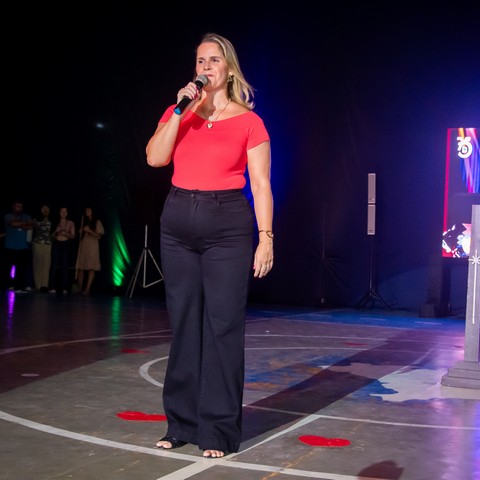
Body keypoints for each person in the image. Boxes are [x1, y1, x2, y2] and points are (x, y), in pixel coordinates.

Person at [145, 32, 274, 458]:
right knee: (184, 324)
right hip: (178, 220)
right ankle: (180, 424)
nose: (206, 67)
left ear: (229, 69)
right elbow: (155, 158)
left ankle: (217, 431)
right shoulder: (180, 112)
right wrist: (179, 112)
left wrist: (266, 238)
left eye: (214, 60)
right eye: (200, 60)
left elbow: (261, 184)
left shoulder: (250, 122)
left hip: (227, 225)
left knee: (222, 327)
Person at [1, 200, 34, 293]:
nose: (20, 208)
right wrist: (24, 224)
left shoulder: (26, 216)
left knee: (22, 268)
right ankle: (11, 285)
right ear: (13, 207)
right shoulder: (8, 216)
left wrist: (20, 225)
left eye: (21, 206)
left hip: (23, 246)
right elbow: (12, 223)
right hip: (10, 246)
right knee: (9, 267)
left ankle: (21, 286)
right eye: (18, 206)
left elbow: (30, 226)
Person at [75, 206, 104, 295]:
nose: (87, 211)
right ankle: (80, 288)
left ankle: (87, 289)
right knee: (80, 267)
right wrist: (81, 231)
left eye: (89, 210)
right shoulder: (84, 221)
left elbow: (99, 236)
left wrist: (89, 230)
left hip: (92, 247)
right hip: (84, 246)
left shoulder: (97, 222)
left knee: (91, 267)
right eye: (86, 210)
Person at [49, 206, 76, 294]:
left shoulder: (70, 223)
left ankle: (65, 287)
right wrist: (57, 231)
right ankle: (52, 287)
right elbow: (51, 235)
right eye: (62, 211)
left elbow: (73, 236)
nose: (63, 213)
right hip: (56, 243)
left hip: (65, 244)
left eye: (65, 212)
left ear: (67, 213)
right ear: (59, 212)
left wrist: (66, 233)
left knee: (65, 265)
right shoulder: (55, 222)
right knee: (54, 265)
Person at [31, 205, 53, 291]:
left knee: (46, 264)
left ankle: (44, 285)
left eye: (47, 209)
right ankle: (38, 285)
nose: (45, 211)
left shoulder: (52, 220)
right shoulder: (36, 219)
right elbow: (36, 229)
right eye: (44, 209)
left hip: (47, 244)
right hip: (38, 243)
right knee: (37, 264)